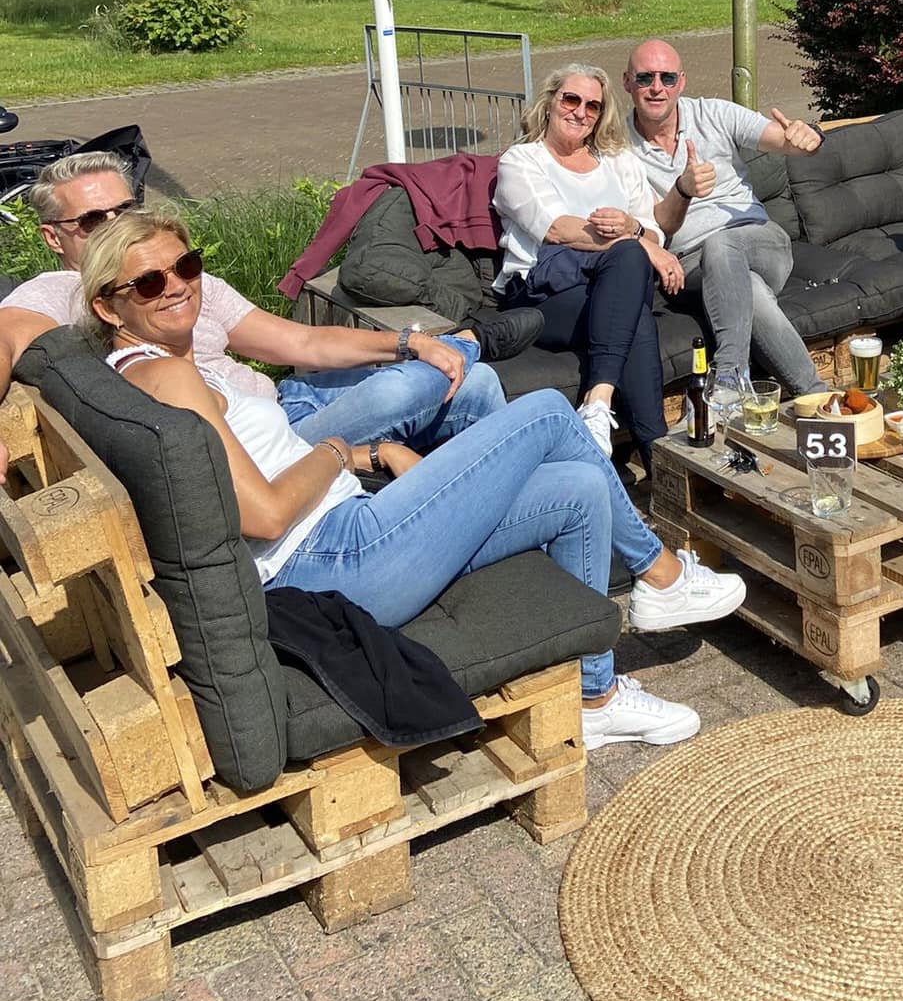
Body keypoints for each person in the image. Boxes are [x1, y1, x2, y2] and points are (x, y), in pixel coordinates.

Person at [80, 210, 747, 750]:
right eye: (147, 283)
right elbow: (266, 516)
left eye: (186, 267)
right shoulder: (165, 376)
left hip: (346, 540)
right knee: (545, 413)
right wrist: (341, 453)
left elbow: (302, 358)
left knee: (576, 487)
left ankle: (592, 696)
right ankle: (661, 575)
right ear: (110, 307)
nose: (176, 286)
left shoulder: (150, 366)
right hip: (336, 558)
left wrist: (371, 449)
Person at [0, 150, 506, 485]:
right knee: (408, 388)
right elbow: (4, 337)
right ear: (53, 238)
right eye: (93, 221)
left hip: (288, 402)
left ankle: (487, 491)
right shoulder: (60, 293)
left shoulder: (179, 277)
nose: (117, 227)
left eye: (125, 210)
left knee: (473, 382)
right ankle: (474, 339)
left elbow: (300, 344)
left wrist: (409, 343)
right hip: (261, 446)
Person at [493, 65, 678, 463]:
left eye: (593, 106)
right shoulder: (521, 162)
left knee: (627, 266)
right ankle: (661, 463)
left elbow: (653, 230)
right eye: (571, 99)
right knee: (636, 316)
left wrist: (636, 230)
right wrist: (635, 239)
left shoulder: (618, 160)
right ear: (549, 103)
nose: (581, 112)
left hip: (614, 285)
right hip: (545, 290)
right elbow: (558, 230)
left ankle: (598, 403)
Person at [624, 38, 824, 395]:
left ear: (681, 82)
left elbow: (783, 141)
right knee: (751, 292)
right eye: (645, 78)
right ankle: (817, 397)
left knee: (723, 241)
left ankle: (729, 375)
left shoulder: (714, 114)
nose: (657, 88)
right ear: (627, 82)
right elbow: (661, 228)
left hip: (760, 241)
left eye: (667, 78)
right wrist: (682, 189)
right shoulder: (619, 148)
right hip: (691, 268)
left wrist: (805, 136)